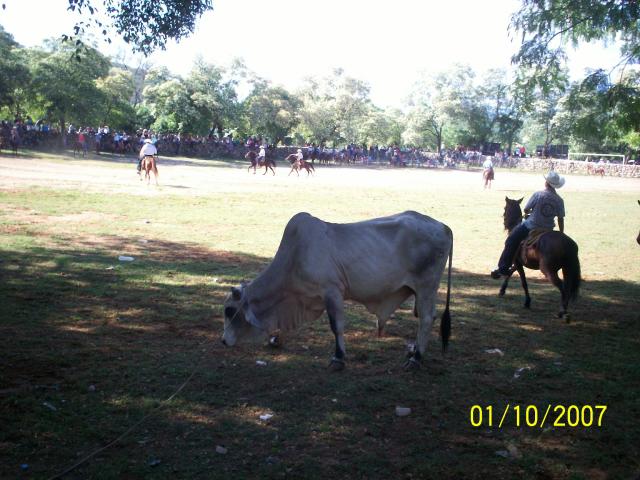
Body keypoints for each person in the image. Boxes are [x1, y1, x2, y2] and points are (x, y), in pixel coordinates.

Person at [490, 171, 566, 278]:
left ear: (546, 183)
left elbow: (526, 209)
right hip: (548, 229)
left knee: (511, 240)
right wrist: (561, 234)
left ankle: (503, 268)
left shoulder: (538, 194)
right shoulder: (559, 200)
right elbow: (561, 219)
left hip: (531, 226)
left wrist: (530, 213)